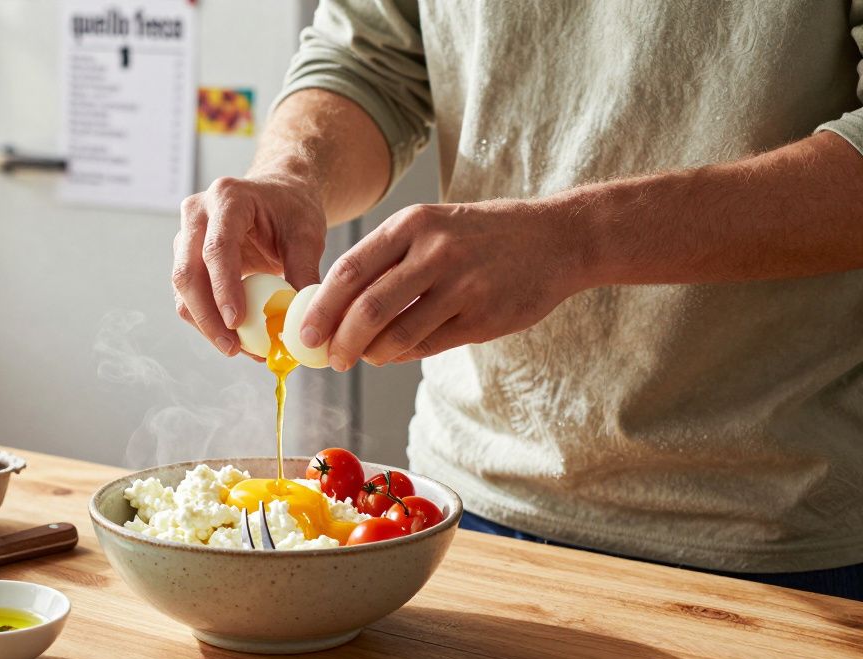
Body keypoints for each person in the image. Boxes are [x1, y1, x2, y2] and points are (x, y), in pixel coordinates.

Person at [171, 1, 863, 600]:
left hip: (775, 532)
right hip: (455, 502)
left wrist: (572, 240)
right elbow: (369, 58)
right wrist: (293, 173)